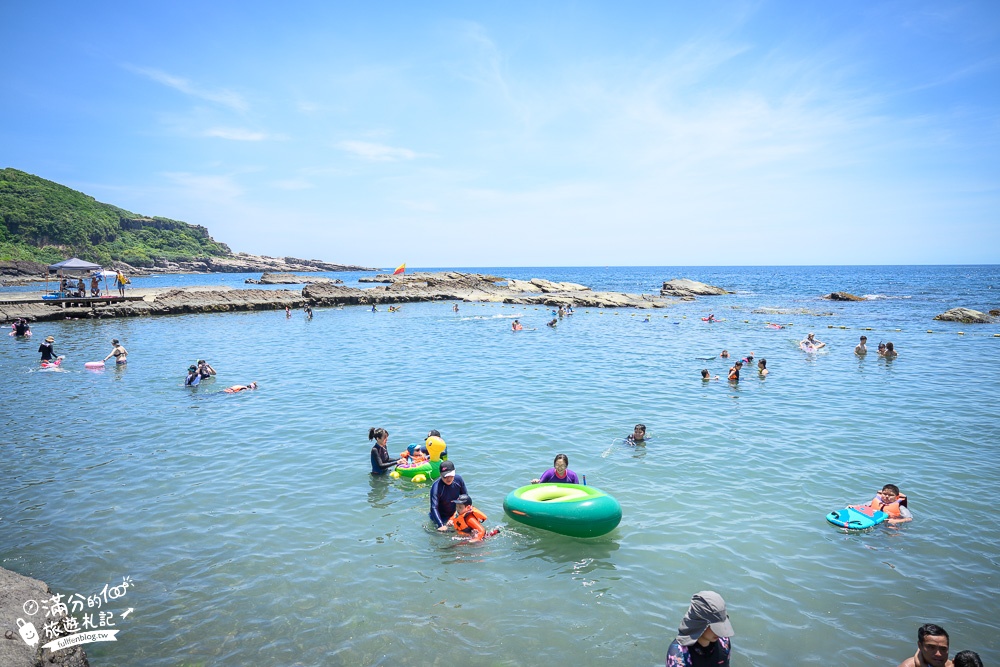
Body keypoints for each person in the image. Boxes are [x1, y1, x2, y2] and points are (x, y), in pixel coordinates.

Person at [665, 591, 734, 667]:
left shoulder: (724, 641)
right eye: (716, 627)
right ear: (700, 623)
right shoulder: (678, 654)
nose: (720, 632)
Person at [430, 460, 468, 529]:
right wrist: (441, 525)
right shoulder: (436, 487)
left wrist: (454, 516)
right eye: (445, 476)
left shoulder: (458, 480)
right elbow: (434, 508)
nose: (449, 478)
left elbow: (466, 499)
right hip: (440, 517)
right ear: (440, 474)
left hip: (454, 513)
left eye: (451, 475)